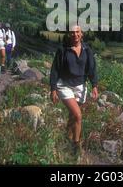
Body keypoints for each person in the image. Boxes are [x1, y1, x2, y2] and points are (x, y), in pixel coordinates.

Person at [49, 25, 99, 156]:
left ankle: (66, 138)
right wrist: (53, 89)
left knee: (73, 116)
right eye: (72, 32)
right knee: (78, 115)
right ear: (69, 34)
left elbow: (91, 67)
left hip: (80, 86)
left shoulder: (87, 49)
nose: (75, 34)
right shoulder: (63, 50)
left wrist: (94, 85)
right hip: (64, 85)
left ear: (81, 34)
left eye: (77, 32)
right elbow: (55, 69)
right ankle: (76, 146)